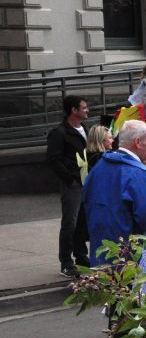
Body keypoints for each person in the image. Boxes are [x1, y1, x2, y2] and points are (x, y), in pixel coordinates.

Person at [82, 119, 146, 267]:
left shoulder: (99, 167)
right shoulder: (135, 172)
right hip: (130, 257)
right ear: (138, 142)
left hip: (101, 253)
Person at [47, 94, 91, 277]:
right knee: (70, 223)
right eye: (84, 107)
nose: (87, 110)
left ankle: (81, 256)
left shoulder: (84, 129)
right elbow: (53, 160)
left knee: (82, 222)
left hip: (85, 182)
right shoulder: (60, 132)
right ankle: (66, 262)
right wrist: (69, 178)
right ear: (74, 110)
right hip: (72, 185)